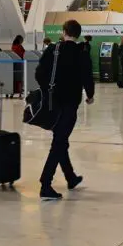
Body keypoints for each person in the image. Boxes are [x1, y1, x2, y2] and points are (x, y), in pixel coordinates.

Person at [34, 19, 95, 200]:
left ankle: (70, 177)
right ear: (78, 34)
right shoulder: (81, 52)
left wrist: (48, 88)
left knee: (60, 139)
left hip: (53, 102)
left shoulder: (53, 49)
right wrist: (90, 95)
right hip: (70, 103)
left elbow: (39, 73)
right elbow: (87, 76)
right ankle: (46, 183)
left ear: (64, 31)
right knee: (59, 142)